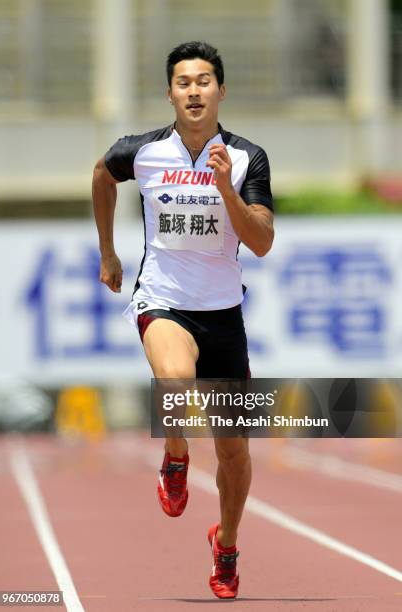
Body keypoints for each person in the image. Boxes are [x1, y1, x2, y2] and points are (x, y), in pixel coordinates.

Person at [92, 41, 274, 599]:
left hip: (223, 313)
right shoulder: (143, 152)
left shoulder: (246, 158)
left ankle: (227, 543)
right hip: (163, 300)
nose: (193, 91)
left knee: (235, 452)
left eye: (203, 82)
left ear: (221, 90)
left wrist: (225, 189)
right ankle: (175, 456)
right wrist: (108, 251)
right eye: (182, 83)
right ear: (170, 93)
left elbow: (262, 242)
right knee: (174, 385)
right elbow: (101, 173)